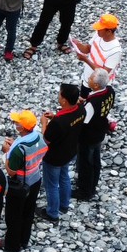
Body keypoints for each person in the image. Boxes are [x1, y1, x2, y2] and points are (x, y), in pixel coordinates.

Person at [1, 110, 46, 251]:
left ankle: (12, 245)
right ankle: (24, 240)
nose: (15, 124)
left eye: (16, 122)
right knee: (28, 212)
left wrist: (7, 153)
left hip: (20, 184)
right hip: (36, 179)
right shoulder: (40, 136)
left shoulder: (19, 148)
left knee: (13, 216)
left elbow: (11, 171)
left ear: (22, 127)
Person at [74, 70, 117, 203]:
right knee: (95, 161)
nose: (89, 78)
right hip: (100, 131)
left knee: (86, 163)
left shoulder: (92, 103)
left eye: (92, 78)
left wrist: (79, 107)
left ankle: (84, 191)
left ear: (97, 86)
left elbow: (84, 122)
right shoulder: (110, 90)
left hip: (88, 137)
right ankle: (93, 185)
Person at [41, 85, 81, 223]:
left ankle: (52, 213)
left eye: (59, 94)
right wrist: (54, 116)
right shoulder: (80, 110)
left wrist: (44, 123)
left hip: (54, 157)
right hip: (70, 151)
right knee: (64, 178)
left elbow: (45, 140)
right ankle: (64, 205)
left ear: (64, 100)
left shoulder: (58, 122)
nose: (58, 96)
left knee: (51, 185)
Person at [71, 14, 123, 85]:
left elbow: (103, 74)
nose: (97, 30)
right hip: (87, 78)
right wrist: (78, 45)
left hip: (97, 86)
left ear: (109, 32)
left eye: (100, 29)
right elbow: (87, 49)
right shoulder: (98, 35)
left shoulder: (115, 51)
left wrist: (85, 59)